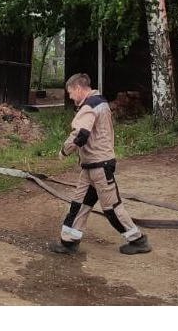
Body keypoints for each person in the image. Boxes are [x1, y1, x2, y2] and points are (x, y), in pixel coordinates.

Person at [49, 73, 152, 256]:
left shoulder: (89, 106)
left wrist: (65, 150)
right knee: (79, 204)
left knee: (111, 208)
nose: (71, 97)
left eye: (71, 92)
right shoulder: (100, 101)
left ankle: (137, 240)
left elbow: (81, 135)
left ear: (79, 89)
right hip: (91, 166)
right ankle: (69, 242)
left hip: (99, 166)